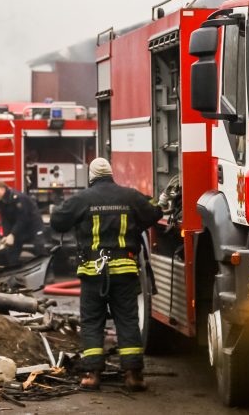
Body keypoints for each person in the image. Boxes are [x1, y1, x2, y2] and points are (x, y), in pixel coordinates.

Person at [50, 158, 165, 392]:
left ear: (91, 177)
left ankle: (92, 375)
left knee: (92, 321)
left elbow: (57, 222)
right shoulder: (130, 196)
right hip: (124, 271)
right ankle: (133, 375)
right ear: (111, 174)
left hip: (93, 273)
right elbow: (153, 214)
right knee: (127, 320)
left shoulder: (81, 199)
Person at [0, 180, 46, 266]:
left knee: (39, 247)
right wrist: (6, 235)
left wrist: (12, 234)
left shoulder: (18, 198)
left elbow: (23, 218)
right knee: (12, 250)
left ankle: (47, 272)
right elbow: (5, 219)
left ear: (3, 189)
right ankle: (14, 272)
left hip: (33, 226)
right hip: (18, 227)